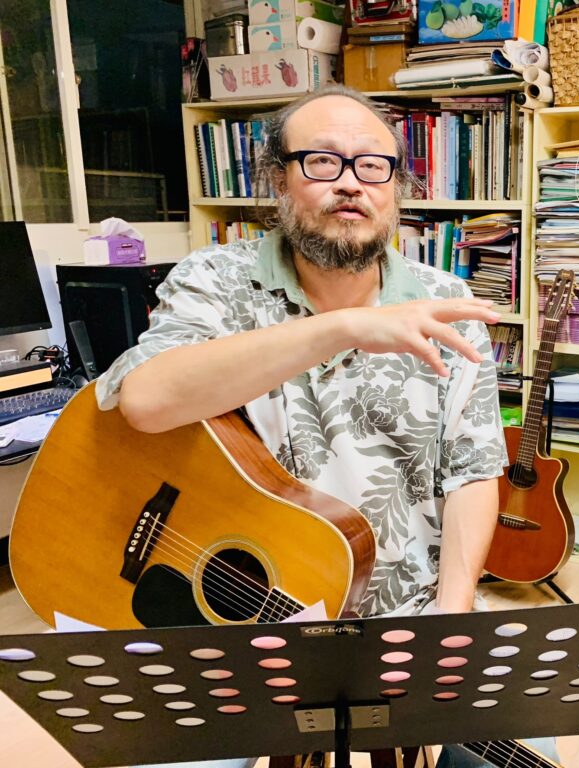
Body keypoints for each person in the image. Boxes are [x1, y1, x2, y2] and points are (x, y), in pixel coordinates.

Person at [95, 84, 507, 768]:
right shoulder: (215, 279)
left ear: (397, 189)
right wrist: (344, 328)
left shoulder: (448, 301)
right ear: (277, 180)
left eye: (373, 165)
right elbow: (145, 399)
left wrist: (453, 611)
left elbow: (474, 467)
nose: (351, 183)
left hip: (406, 611)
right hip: (244, 609)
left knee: (520, 742)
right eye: (322, 161)